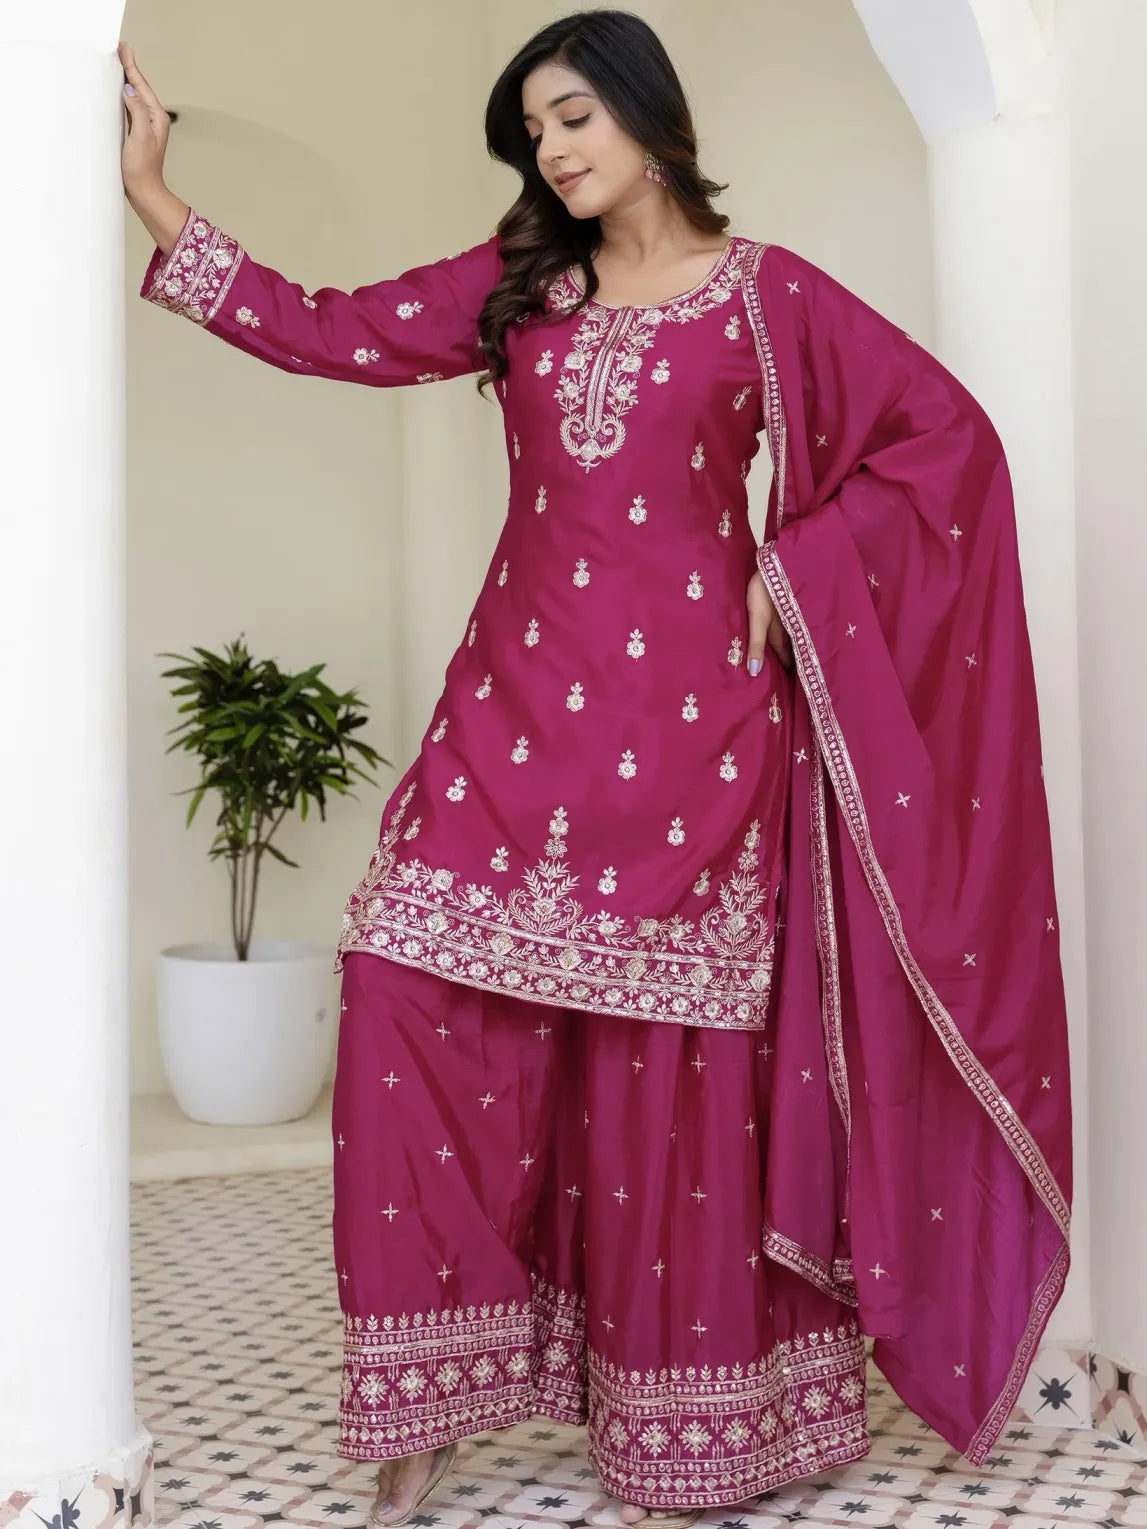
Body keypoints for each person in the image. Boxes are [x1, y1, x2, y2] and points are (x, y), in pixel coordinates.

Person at [120, 10, 1072, 1528]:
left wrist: (800, 568)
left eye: (570, 117)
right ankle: (423, 1403)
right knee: (399, 994)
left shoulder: (770, 300)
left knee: (663, 1073)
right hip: (505, 724)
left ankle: (680, 1432)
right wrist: (161, 201)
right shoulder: (524, 295)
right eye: (532, 134)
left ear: (646, 111)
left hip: (694, 739)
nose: (552, 151)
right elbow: (328, 325)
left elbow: (948, 449)